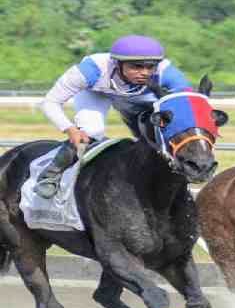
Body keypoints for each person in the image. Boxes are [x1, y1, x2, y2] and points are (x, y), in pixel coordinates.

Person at [35, 35, 190, 198]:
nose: (144, 73)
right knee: (92, 131)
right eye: (136, 66)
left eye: (150, 67)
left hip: (143, 96)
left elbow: (188, 103)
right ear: (117, 63)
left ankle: (177, 178)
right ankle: (50, 175)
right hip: (97, 93)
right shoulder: (90, 69)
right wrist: (70, 129)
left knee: (164, 129)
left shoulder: (167, 72)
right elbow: (50, 102)